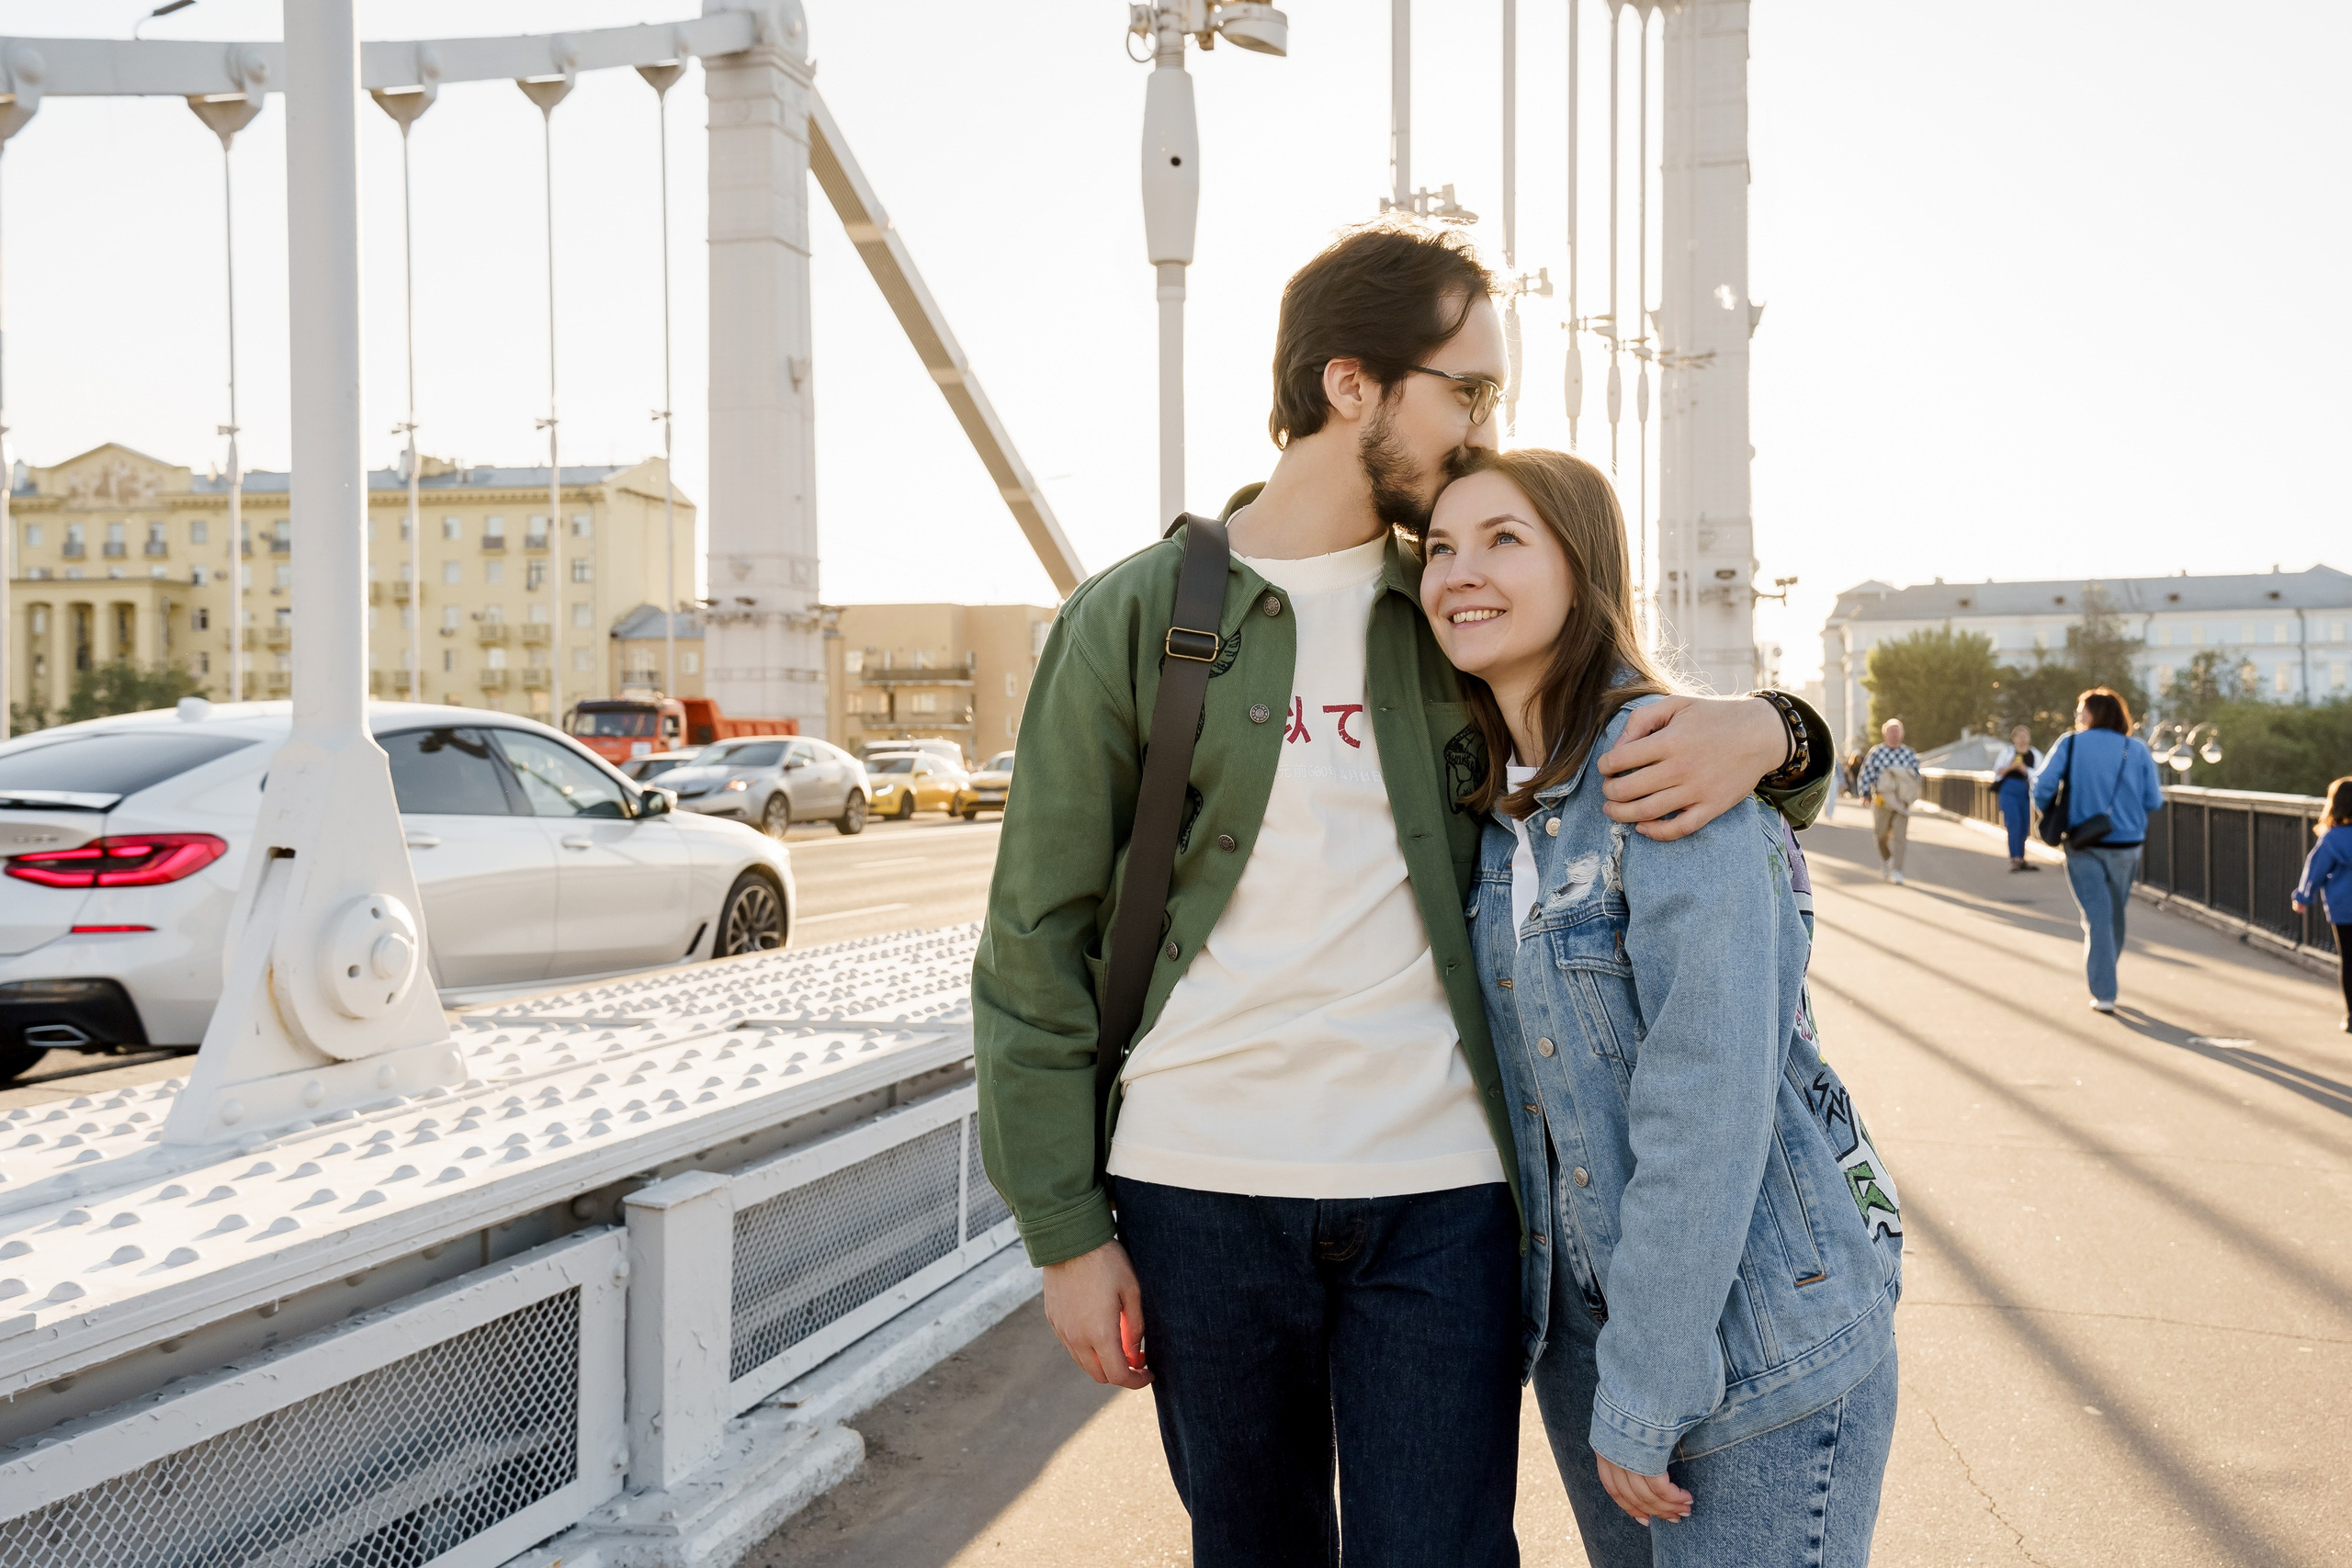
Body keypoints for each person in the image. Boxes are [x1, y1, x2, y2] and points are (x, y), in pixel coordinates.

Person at [972, 220, 1835, 1566]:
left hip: (1445, 1195)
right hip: (1198, 1190)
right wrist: (1065, 1232)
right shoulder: (1134, 618)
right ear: (1351, 384)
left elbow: (1628, 724)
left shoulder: (1457, 606)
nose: (1489, 425)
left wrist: (1782, 731)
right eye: (1469, 390)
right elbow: (1034, 940)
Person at [1420, 446, 1901, 1567]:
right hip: (1600, 1347)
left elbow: (1708, 1101)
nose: (1459, 571)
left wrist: (1648, 1381)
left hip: (1752, 1346)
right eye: (1439, 548)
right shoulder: (1499, 818)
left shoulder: (1669, 769)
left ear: (1582, 571)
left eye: (1503, 539)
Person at [2032, 688, 2166, 1013]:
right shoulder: (2136, 749)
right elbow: (2153, 800)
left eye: (2082, 710)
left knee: (2097, 916)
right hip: (2127, 845)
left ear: (2094, 713)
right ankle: (2105, 975)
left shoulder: (2070, 743)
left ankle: (2104, 991)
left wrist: (2050, 811)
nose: (2078, 716)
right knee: (2114, 914)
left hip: (2083, 843)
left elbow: (2042, 786)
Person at [2290, 775, 2352, 1032]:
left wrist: (2303, 897)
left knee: (2349, 960)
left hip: (2344, 909)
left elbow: (2314, 870)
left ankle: (2351, 1016)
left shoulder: (2332, 839)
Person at [1856, 719, 1921, 885]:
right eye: (1891, 732)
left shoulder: (1909, 754)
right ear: (1885, 734)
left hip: (1902, 802)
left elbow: (1916, 778)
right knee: (1880, 834)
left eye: (1896, 732)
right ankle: (1887, 859)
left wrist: (1912, 796)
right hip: (1882, 801)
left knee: (1900, 836)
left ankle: (1897, 870)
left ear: (1902, 735)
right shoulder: (1876, 753)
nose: (1894, 736)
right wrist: (1865, 793)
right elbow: (1866, 773)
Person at [1992, 723, 2044, 872]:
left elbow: (2040, 774)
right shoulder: (2008, 752)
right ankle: (2014, 858)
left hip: (2025, 790)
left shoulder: (2034, 754)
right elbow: (1997, 771)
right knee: (2013, 822)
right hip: (2009, 789)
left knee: (2024, 824)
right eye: (2019, 736)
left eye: (2025, 736)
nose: (2022, 739)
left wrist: (2025, 770)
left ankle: (2021, 857)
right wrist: (2012, 767)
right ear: (2014, 739)